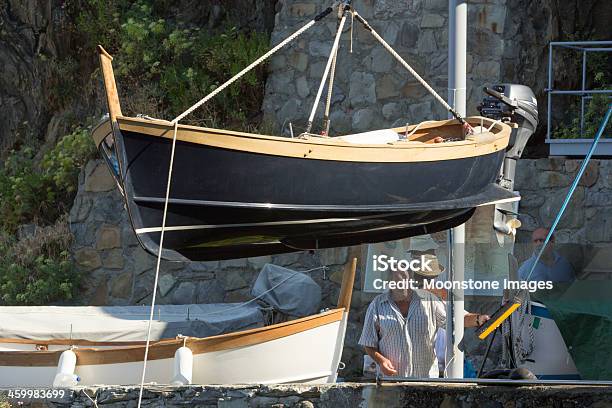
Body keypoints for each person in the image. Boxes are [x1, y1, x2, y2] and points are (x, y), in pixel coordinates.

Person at [358, 253, 489, 378]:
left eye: (405, 278)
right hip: (390, 382)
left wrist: (479, 319)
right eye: (397, 279)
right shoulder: (377, 305)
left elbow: (456, 319)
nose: (401, 283)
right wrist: (381, 361)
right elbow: (368, 343)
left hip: (426, 380)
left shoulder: (430, 300)